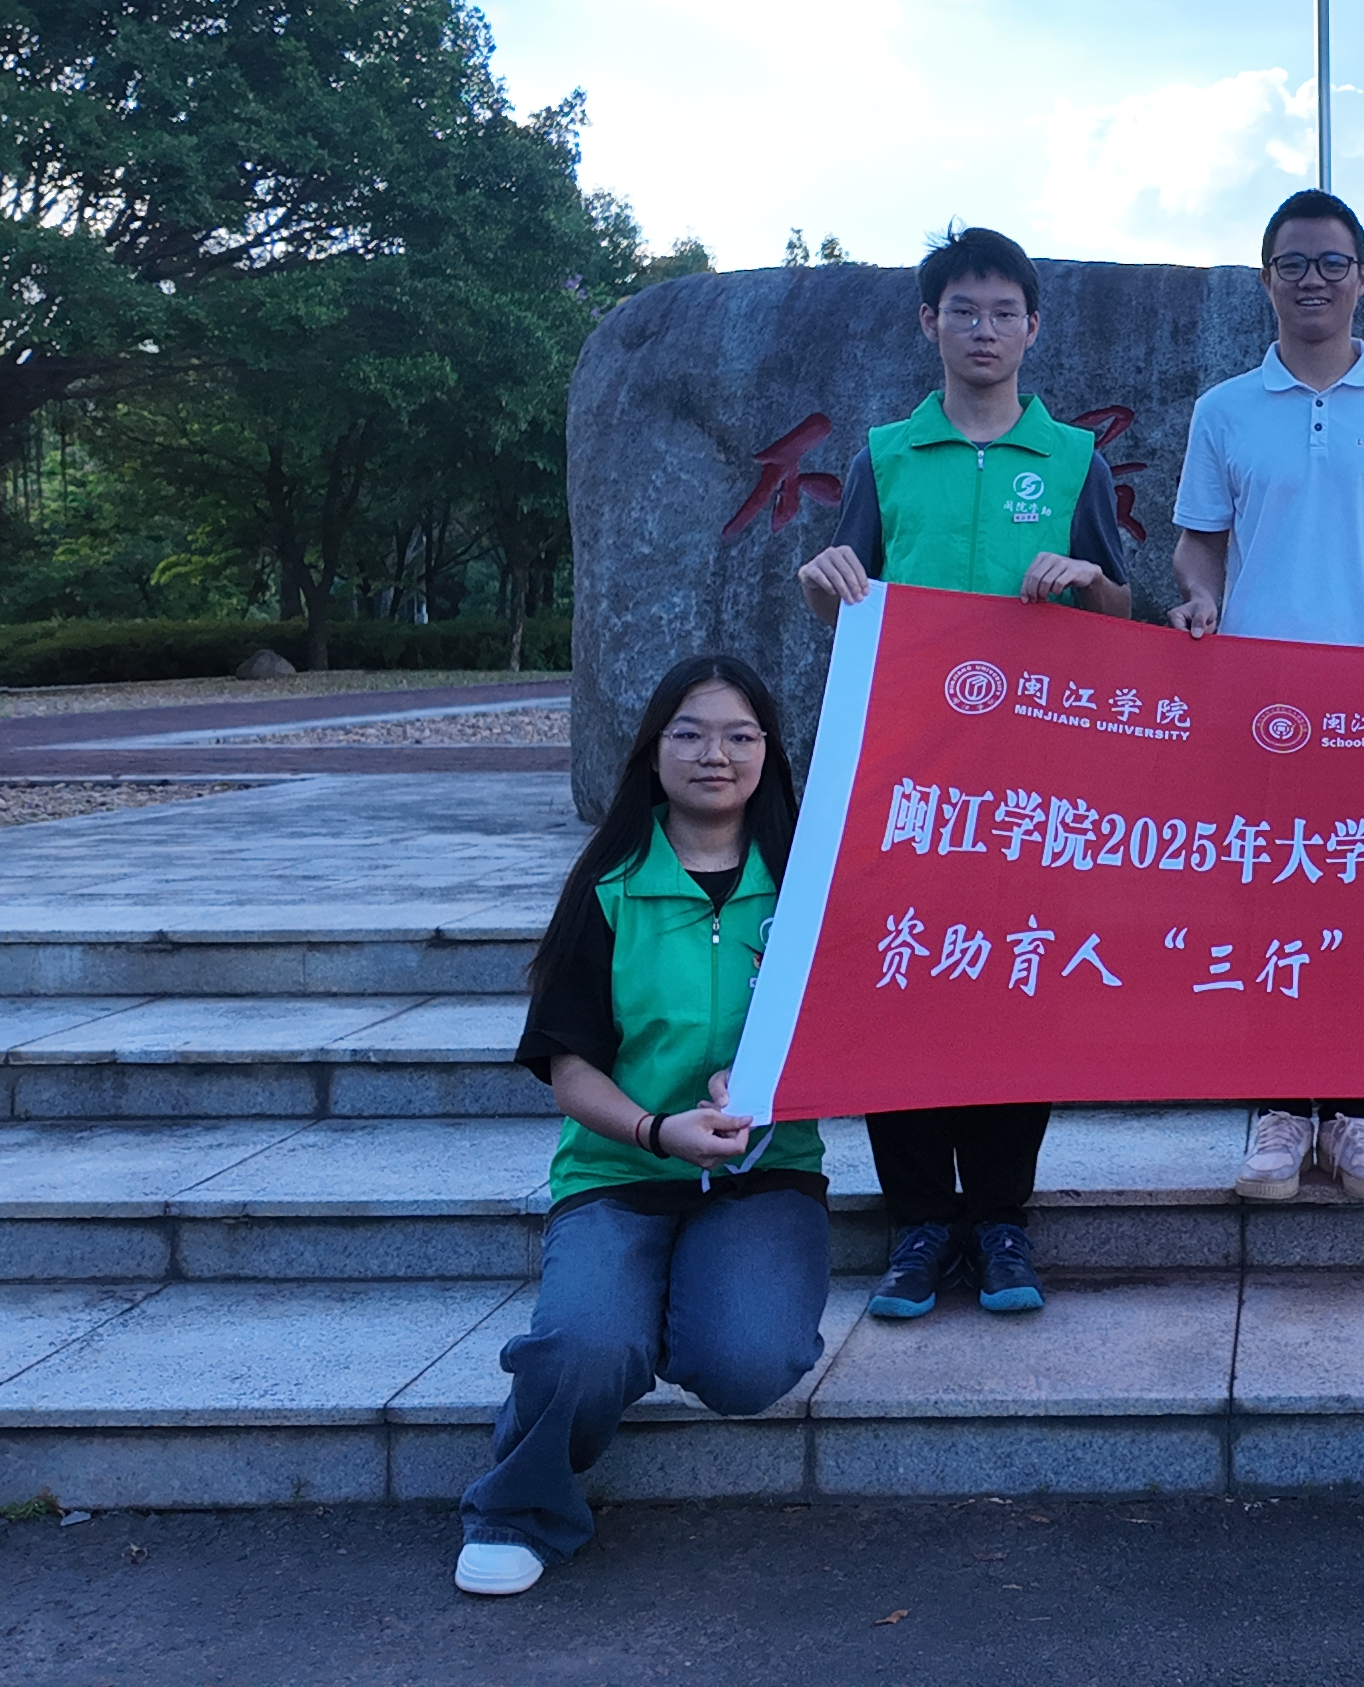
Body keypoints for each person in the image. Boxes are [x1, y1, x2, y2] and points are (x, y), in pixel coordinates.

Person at [796, 225, 1133, 1320]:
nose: (982, 330)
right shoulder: (886, 456)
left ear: (1033, 328)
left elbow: (1122, 612)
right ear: (928, 324)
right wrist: (824, 582)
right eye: (961, 311)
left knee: (1013, 987)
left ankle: (1000, 1221)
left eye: (1002, 313)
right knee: (900, 981)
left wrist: (1087, 580)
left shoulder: (1073, 459)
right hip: (909, 779)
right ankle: (917, 1225)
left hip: (1033, 784)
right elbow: (852, 604)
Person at [454, 657, 829, 1599]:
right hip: (620, 1173)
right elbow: (569, 1068)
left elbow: (862, 1029)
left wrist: (776, 1082)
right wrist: (658, 1130)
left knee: (747, 1362)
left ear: (770, 753)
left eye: (740, 735)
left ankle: (646, 1312)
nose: (715, 754)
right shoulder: (609, 886)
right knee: (582, 1349)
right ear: (653, 751)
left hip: (762, 1176)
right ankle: (518, 1507)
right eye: (689, 734)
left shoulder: (812, 885)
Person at [1168, 188, 1364, 1202]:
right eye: (1292, 263)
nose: (1313, 280)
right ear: (1266, 281)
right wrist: (1202, 600)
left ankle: (1354, 1116)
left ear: (1363, 278)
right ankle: (1275, 1112)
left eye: (1332, 262)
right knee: (1268, 901)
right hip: (1259, 703)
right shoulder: (1225, 409)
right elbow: (1198, 542)